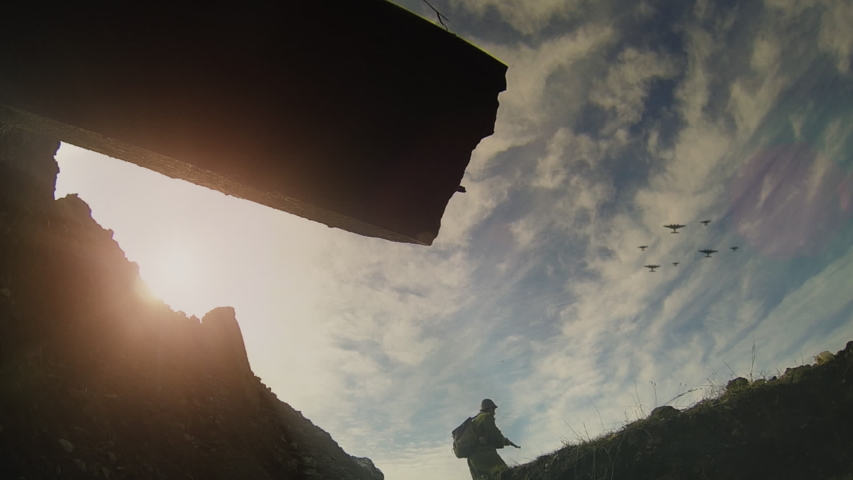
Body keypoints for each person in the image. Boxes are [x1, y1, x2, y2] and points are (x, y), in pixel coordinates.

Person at [467, 398, 517, 479]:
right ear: (490, 408)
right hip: (485, 454)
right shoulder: (486, 417)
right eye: (493, 409)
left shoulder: (475, 421)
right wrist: (505, 441)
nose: (494, 412)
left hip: (472, 459)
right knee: (505, 474)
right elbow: (494, 434)